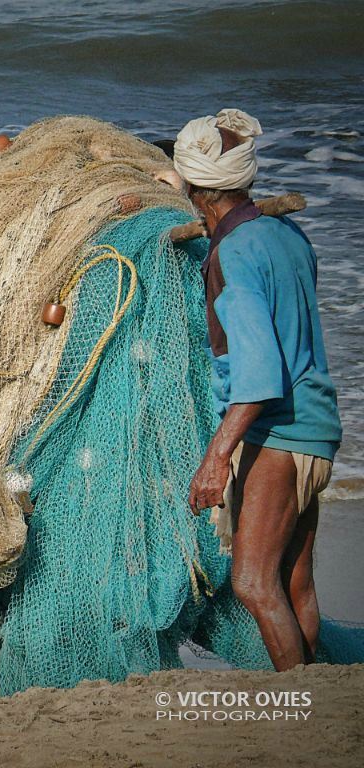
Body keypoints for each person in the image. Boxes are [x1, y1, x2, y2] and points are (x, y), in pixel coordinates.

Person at [175, 109, 343, 671]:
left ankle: (299, 704)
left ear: (197, 193)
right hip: (317, 428)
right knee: (295, 582)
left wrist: (215, 459)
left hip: (277, 432)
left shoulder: (232, 254)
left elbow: (259, 375)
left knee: (251, 582)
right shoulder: (286, 234)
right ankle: (322, 700)